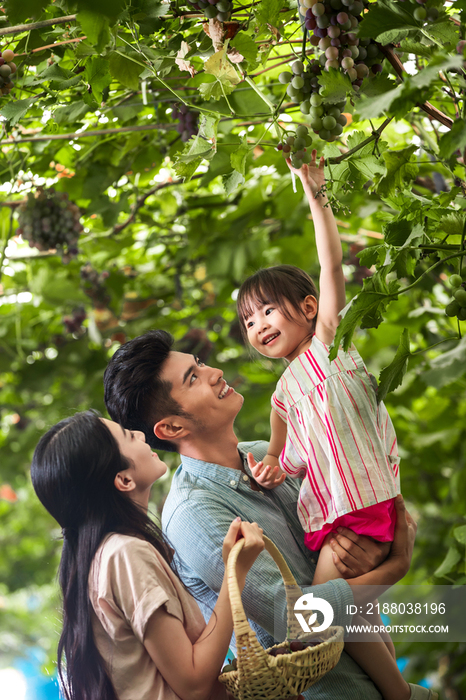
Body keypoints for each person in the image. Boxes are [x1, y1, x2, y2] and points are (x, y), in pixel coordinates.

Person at [103, 329, 419, 700]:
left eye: (199, 364)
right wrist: (394, 569)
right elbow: (297, 620)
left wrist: (372, 555)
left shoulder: (266, 454)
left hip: (379, 675)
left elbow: (347, 525)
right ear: (172, 427)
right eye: (193, 378)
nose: (215, 372)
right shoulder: (192, 512)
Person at [235, 154, 437, 700]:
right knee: (352, 610)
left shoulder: (328, 345)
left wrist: (315, 191)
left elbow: (330, 264)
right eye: (249, 322)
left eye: (268, 312)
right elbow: (277, 459)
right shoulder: (282, 393)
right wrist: (268, 467)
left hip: (362, 506)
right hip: (331, 517)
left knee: (319, 609)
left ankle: (396, 692)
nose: (259, 326)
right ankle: (402, 690)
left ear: (307, 308)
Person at [30, 410, 266, 700]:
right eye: (129, 436)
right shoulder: (125, 554)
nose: (141, 435)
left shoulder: (103, 557)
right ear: (124, 480)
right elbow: (194, 684)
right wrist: (235, 573)